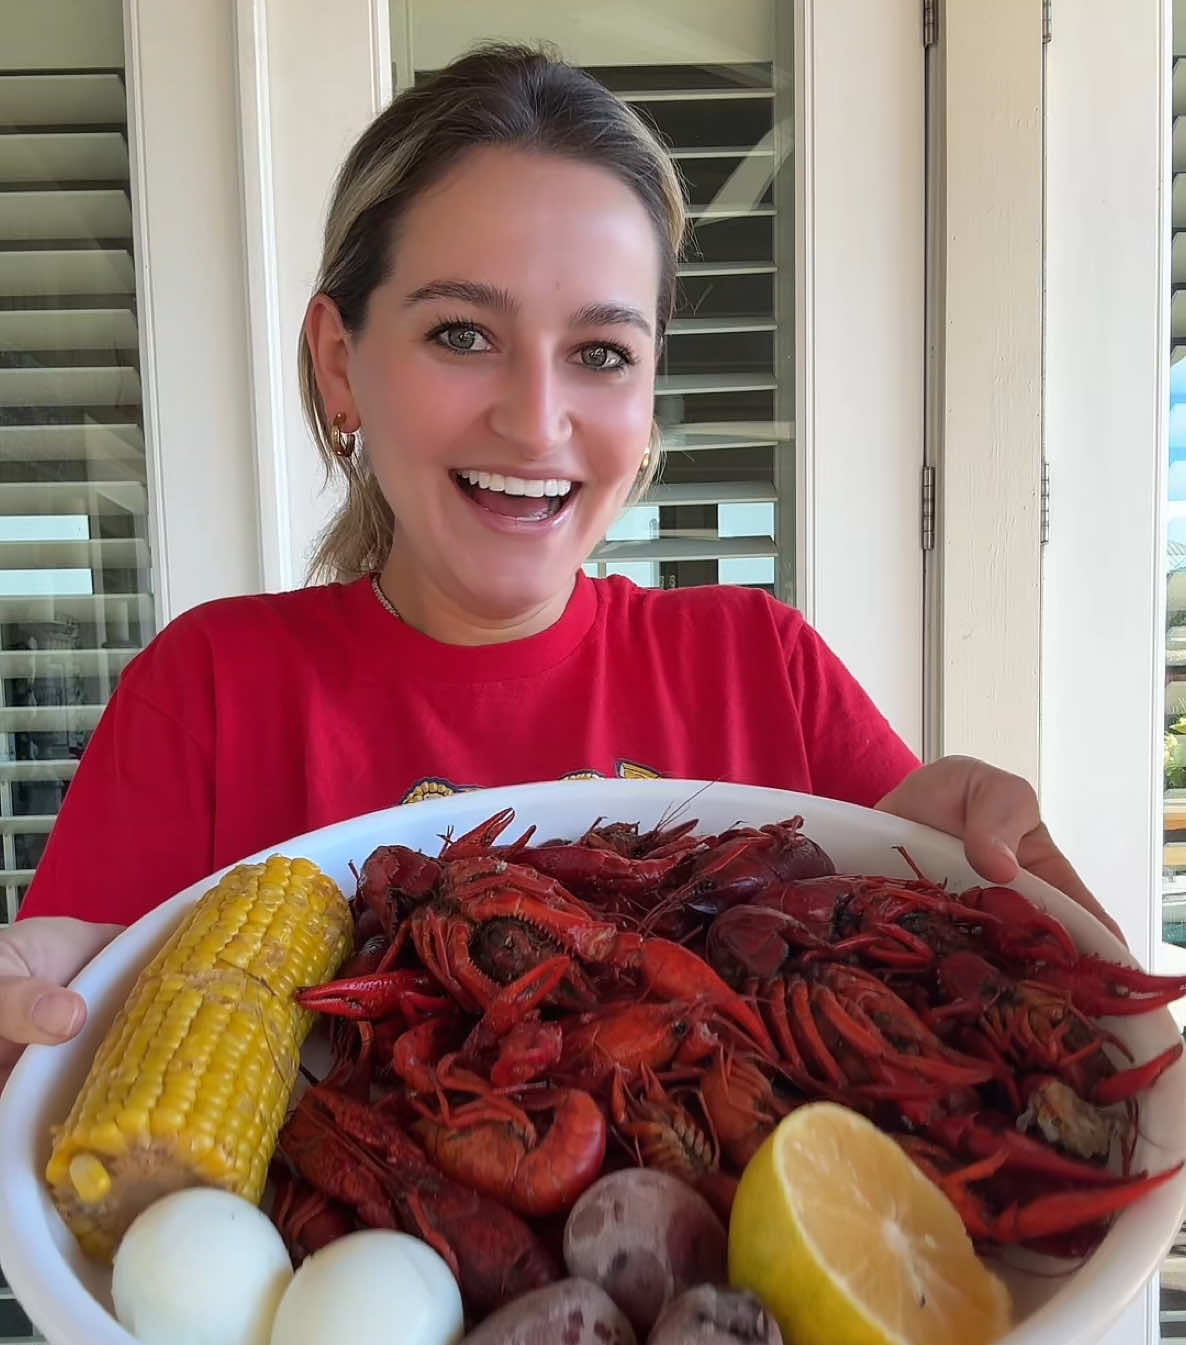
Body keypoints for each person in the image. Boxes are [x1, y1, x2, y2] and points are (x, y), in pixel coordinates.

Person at [0, 43, 1114, 1087]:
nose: (537, 424)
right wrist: (39, 1038)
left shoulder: (763, 667)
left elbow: (969, 1046)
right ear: (340, 366)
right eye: (461, 334)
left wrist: (964, 896)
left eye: (599, 354)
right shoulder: (210, 690)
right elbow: (48, 1113)